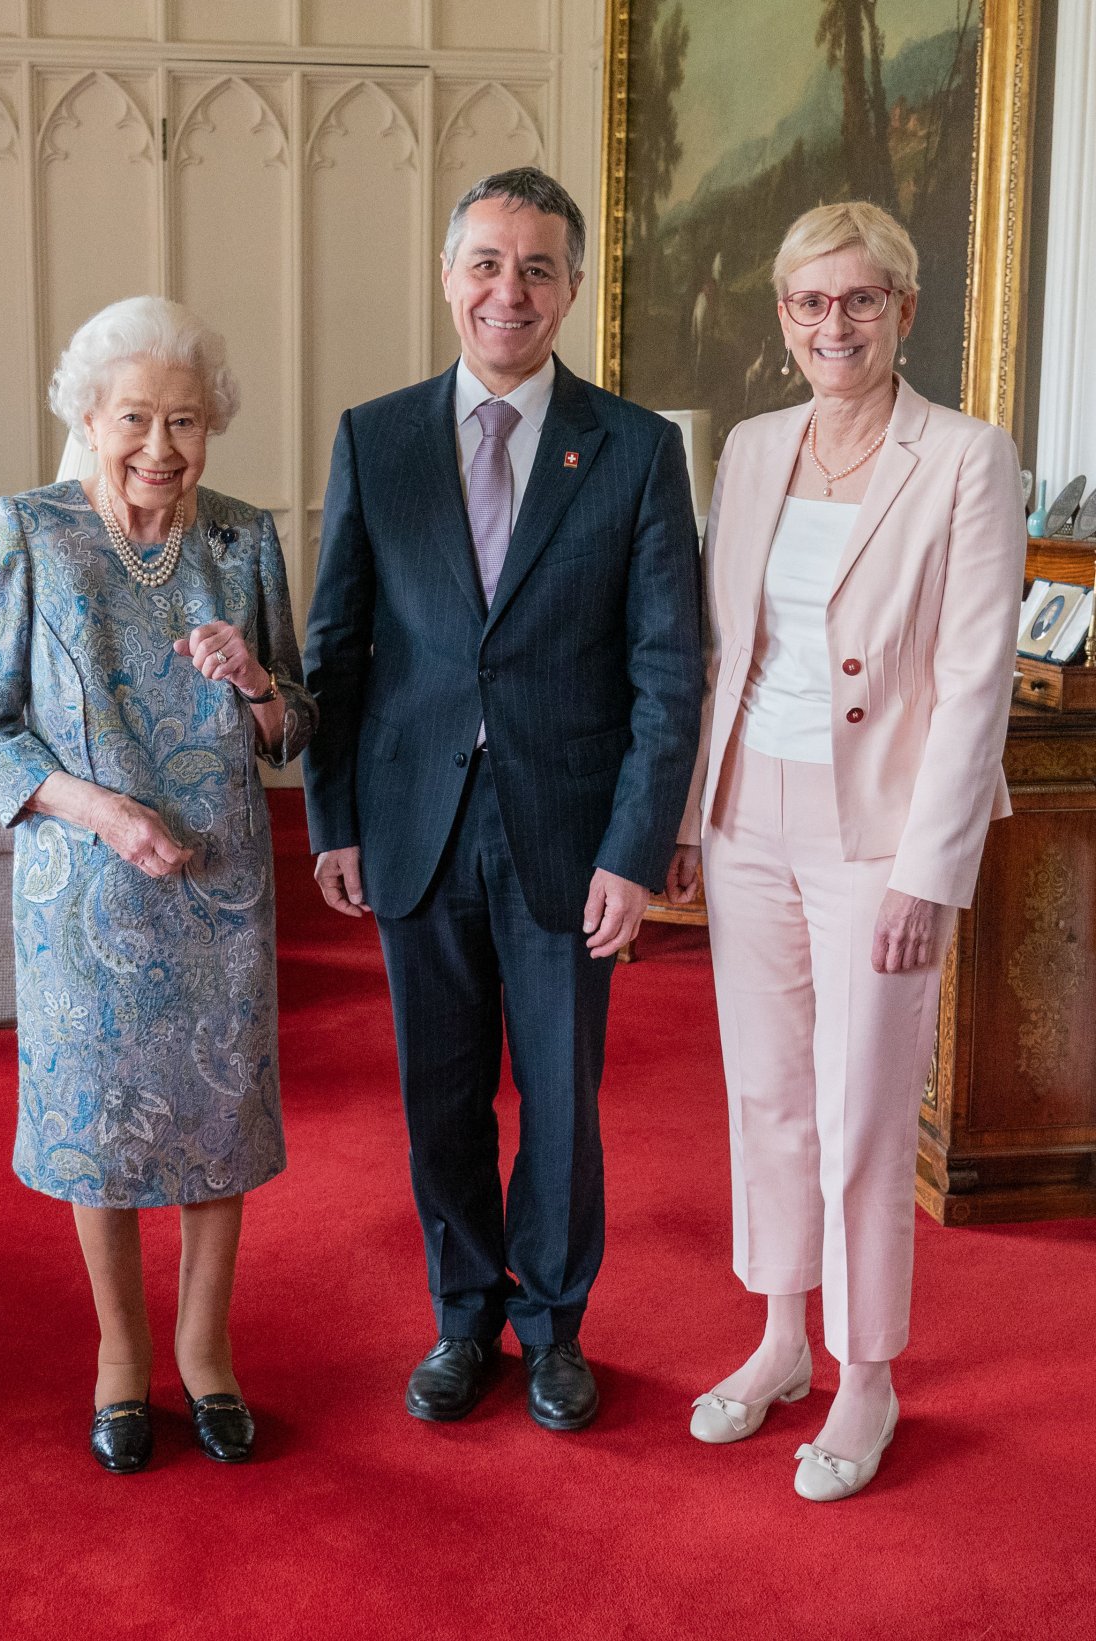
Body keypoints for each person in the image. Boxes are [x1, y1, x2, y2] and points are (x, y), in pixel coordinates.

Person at [302, 168, 701, 1431]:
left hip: (568, 837)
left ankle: (555, 1326)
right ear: (448, 276)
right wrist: (336, 822)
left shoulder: (637, 449)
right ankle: (462, 1319)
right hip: (415, 827)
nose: (507, 290)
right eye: (485, 262)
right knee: (441, 1094)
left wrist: (637, 849)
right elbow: (337, 651)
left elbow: (664, 668)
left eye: (536, 268)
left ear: (572, 287)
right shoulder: (377, 437)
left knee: (563, 1101)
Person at [667, 201, 1025, 1499]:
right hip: (748, 808)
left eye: (861, 300)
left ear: (904, 312)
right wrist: (691, 815)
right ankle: (779, 1339)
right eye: (812, 302)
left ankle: (866, 1374)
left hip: (882, 827)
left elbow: (978, 673)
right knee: (764, 1092)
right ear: (783, 317)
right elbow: (725, 650)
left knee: (863, 1112)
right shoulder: (755, 449)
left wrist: (934, 871)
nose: (836, 323)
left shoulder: (969, 457)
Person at [0, 297, 316, 1474]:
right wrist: (100, 811)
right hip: (83, 889)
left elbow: (292, 730)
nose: (163, 446)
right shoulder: (31, 530)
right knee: (95, 1125)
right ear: (90, 417)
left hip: (218, 889)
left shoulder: (245, 541)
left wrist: (257, 678)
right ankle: (122, 1357)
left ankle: (206, 1353)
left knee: (218, 1118)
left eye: (188, 421)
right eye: (138, 419)